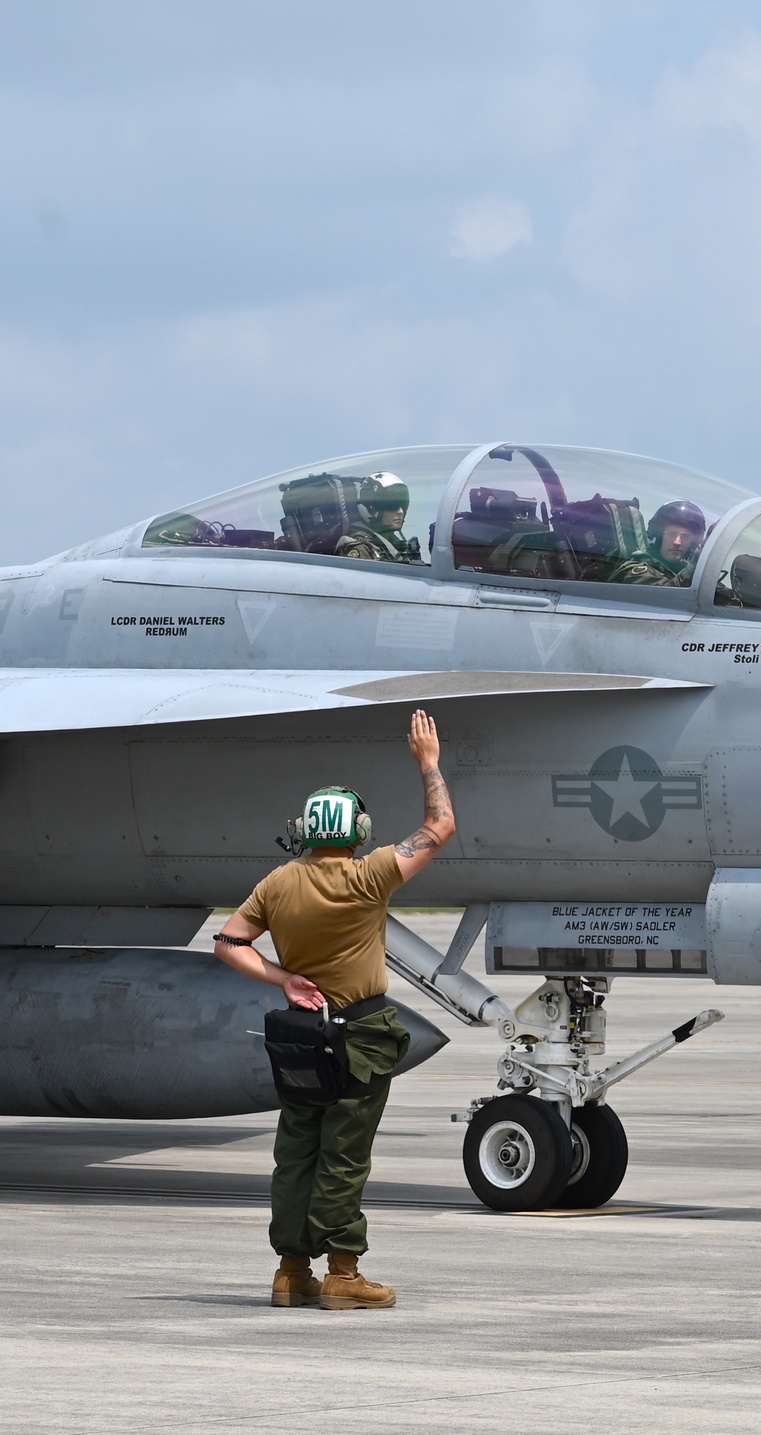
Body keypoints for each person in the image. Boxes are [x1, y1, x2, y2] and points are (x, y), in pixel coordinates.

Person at [213, 709, 455, 1311]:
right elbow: (441, 825)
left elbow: (228, 943)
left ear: (306, 831)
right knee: (344, 1154)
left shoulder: (277, 882)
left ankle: (291, 1273)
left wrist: (285, 978)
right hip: (360, 1035)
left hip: (300, 1036)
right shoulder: (369, 875)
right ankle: (343, 1274)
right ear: (359, 830)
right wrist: (429, 763)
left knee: (296, 1151)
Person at [335, 473, 422, 563]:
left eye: (403, 505)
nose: (400, 511)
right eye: (393, 505)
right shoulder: (360, 547)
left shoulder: (392, 543)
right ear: (371, 508)